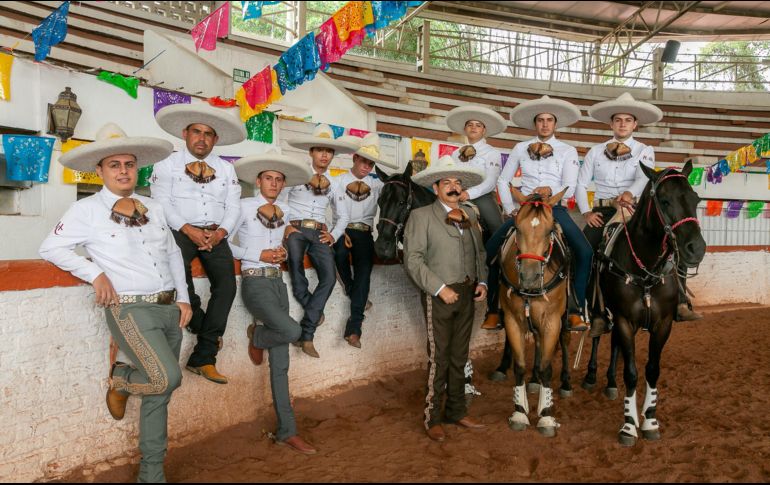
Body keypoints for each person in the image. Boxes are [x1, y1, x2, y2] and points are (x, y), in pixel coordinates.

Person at [39, 124, 192, 483]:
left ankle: (151, 475)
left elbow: (172, 255)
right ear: (100, 170)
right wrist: (94, 273)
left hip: (169, 307)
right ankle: (121, 381)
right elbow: (50, 248)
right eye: (114, 165)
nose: (123, 170)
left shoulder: (153, 207)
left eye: (129, 164)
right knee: (166, 377)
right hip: (130, 309)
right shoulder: (86, 210)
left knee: (160, 394)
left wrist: (184, 299)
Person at [581, 92, 701, 324]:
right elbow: (581, 182)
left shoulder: (645, 149)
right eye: (618, 120)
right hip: (604, 209)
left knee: (670, 239)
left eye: (627, 120)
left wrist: (630, 193)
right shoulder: (595, 151)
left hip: (635, 208)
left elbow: (643, 177)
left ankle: (680, 300)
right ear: (611, 123)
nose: (622, 124)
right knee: (585, 251)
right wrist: (586, 211)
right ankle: (593, 309)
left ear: (635, 124)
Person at [229, 149, 318, 454]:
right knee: (293, 331)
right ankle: (258, 335)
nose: (274, 183)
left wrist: (281, 249)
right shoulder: (242, 206)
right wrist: (258, 255)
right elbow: (224, 244)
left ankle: (287, 431)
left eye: (279, 180)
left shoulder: (285, 210)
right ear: (258, 180)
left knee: (281, 366)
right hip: (255, 282)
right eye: (269, 178)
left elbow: (287, 233)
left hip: (277, 283)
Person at [151, 103, 246, 384]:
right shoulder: (165, 164)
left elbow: (234, 205)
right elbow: (161, 203)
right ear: (185, 133)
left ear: (215, 139)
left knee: (227, 286)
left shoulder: (227, 169)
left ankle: (203, 357)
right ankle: (203, 326)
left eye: (208, 134)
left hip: (217, 233)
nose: (202, 138)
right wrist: (188, 229)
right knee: (177, 277)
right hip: (179, 231)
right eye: (197, 132)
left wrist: (222, 232)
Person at [403, 155, 489, 442]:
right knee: (439, 358)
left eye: (457, 183)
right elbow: (413, 260)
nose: (453, 187)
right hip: (439, 295)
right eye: (447, 183)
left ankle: (456, 410)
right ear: (436, 187)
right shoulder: (421, 216)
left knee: (459, 356)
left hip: (467, 293)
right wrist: (440, 288)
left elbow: (479, 254)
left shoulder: (470, 215)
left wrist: (483, 281)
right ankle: (433, 417)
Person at [494, 95, 592, 331]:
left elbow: (570, 183)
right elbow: (503, 179)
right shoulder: (519, 148)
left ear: (555, 124)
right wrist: (510, 209)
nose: (545, 124)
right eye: (540, 120)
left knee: (585, 251)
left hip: (553, 208)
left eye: (549, 120)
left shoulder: (567, 150)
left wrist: (551, 190)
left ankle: (576, 309)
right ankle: (494, 310)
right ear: (535, 123)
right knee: (490, 248)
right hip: (525, 209)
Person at [284, 124, 359, 358]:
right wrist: (285, 225)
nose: (325, 155)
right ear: (311, 152)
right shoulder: (296, 173)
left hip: (318, 232)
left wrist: (333, 234)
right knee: (295, 264)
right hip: (294, 228)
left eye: (329, 151)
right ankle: (313, 311)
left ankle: (307, 332)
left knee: (328, 277)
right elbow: (281, 202)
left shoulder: (335, 183)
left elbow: (343, 214)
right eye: (320, 150)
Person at [446, 105, 506, 329]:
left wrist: (468, 194)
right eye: (470, 125)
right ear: (465, 129)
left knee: (499, 232)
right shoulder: (454, 154)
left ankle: (494, 307)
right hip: (454, 196)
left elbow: (490, 182)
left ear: (484, 131)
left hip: (480, 196)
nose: (473, 128)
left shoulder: (491, 153)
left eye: (478, 126)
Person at [331, 133, 388, 348]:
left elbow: (395, 191)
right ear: (355, 158)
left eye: (371, 163)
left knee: (365, 272)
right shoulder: (337, 181)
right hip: (342, 230)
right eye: (364, 161)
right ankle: (357, 295)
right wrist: (338, 231)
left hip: (364, 233)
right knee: (339, 253)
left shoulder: (377, 184)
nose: (367, 166)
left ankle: (354, 328)